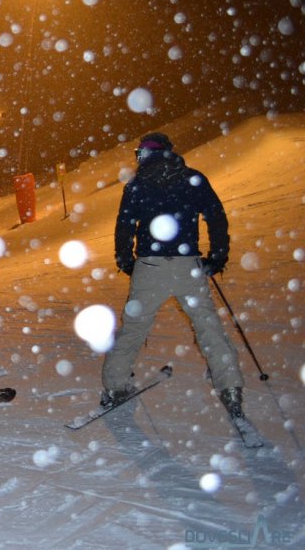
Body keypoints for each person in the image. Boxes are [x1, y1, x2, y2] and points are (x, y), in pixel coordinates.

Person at [103, 132, 245, 419]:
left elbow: (125, 225)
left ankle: (116, 386)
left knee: (133, 329)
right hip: (187, 266)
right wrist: (217, 257)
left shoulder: (137, 184)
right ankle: (230, 387)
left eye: (141, 153)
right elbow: (216, 217)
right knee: (208, 327)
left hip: (150, 265)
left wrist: (127, 261)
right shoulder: (192, 178)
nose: (139, 157)